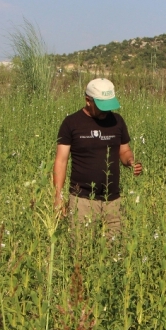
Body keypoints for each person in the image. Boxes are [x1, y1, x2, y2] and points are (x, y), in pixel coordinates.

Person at [53, 78, 143, 237]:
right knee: (81, 249)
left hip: (112, 199)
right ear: (88, 101)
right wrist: (58, 196)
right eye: (102, 107)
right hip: (83, 199)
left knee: (113, 251)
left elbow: (124, 151)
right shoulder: (71, 123)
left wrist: (130, 161)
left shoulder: (117, 121)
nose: (106, 111)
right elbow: (61, 161)